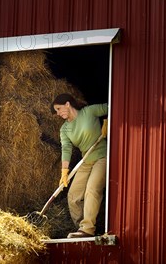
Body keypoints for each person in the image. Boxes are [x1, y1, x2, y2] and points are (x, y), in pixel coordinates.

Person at [51, 93, 108, 238]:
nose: (58, 113)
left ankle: (88, 228)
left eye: (58, 109)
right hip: (86, 160)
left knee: (92, 189)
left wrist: (108, 123)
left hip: (102, 156)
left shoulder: (89, 112)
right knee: (73, 196)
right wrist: (64, 171)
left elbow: (111, 108)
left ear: (67, 104)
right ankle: (82, 229)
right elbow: (66, 149)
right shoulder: (65, 129)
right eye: (56, 111)